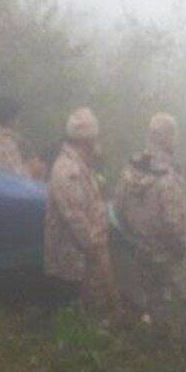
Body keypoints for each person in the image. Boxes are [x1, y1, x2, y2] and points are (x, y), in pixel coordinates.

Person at [114, 113, 186, 349]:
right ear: (167, 137)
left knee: (156, 299)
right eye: (174, 135)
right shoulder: (167, 176)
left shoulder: (131, 169)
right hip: (169, 251)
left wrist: (135, 236)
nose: (176, 140)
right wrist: (182, 248)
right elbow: (173, 222)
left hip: (142, 248)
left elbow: (118, 210)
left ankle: (159, 344)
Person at [44, 107, 120, 316]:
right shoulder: (68, 170)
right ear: (87, 140)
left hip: (85, 261)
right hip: (74, 265)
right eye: (95, 138)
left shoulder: (82, 166)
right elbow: (75, 218)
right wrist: (96, 253)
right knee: (79, 319)